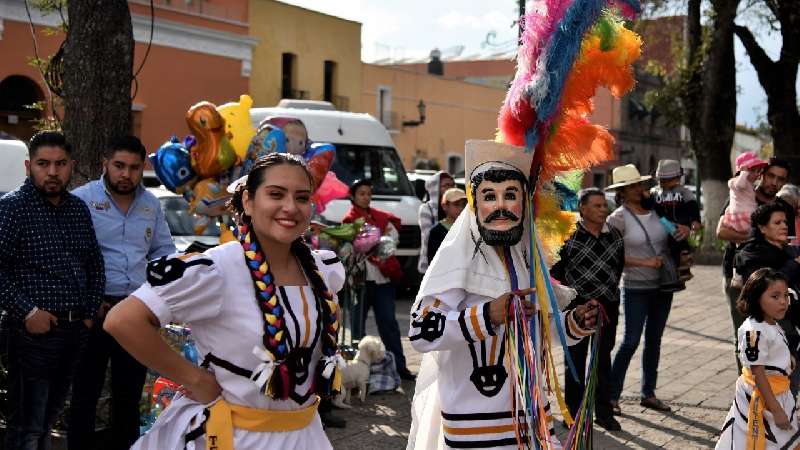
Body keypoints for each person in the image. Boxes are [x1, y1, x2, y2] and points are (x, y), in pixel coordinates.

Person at [103, 153, 346, 449]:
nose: (290, 207)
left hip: (305, 435)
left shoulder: (322, 270)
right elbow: (123, 320)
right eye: (276, 194)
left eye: (302, 197)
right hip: (233, 436)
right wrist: (195, 379)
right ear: (248, 201)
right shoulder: (218, 269)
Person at [407, 140, 598, 449]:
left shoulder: (526, 259)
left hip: (530, 420)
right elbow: (421, 332)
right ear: (474, 202)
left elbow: (538, 329)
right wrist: (488, 314)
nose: (501, 206)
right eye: (489, 196)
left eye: (511, 195)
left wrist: (575, 321)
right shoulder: (456, 260)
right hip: (475, 426)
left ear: (524, 202)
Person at [68, 136, 176, 450]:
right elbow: (69, 257)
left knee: (128, 396)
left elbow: (163, 254)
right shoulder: (82, 200)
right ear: (105, 164)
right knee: (84, 394)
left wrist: (159, 300)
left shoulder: (151, 204)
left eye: (133, 168)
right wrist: (87, 303)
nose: (125, 174)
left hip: (136, 312)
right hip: (95, 310)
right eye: (119, 166)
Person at [0, 130, 105, 450]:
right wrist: (28, 312)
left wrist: (87, 316)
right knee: (28, 428)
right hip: (32, 333)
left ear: (71, 166)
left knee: (49, 420)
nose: (52, 172)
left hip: (75, 331)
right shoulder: (13, 208)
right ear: (28, 166)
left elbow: (95, 265)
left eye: (60, 164)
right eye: (43, 164)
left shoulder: (77, 209)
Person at [551, 187, 625, 431]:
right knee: (576, 359)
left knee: (602, 360)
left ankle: (603, 413)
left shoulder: (614, 235)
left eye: (604, 205)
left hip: (608, 307)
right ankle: (574, 414)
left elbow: (618, 268)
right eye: (597, 205)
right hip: (577, 308)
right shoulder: (568, 235)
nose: (603, 209)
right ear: (582, 208)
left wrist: (604, 298)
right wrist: (576, 301)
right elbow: (558, 272)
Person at [605, 164, 674, 413]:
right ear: (622, 192)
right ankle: (612, 396)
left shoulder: (655, 211)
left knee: (654, 340)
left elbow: (671, 237)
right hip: (635, 286)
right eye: (632, 186)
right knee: (631, 341)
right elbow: (612, 256)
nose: (638, 189)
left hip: (663, 286)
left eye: (639, 184)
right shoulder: (618, 218)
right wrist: (645, 262)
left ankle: (649, 393)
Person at [718, 157, 793, 365]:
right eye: (771, 176)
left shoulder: (783, 207)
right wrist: (759, 236)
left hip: (773, 279)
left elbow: (786, 241)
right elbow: (721, 231)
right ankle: (747, 390)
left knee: (775, 335)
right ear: (761, 173)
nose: (774, 183)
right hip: (739, 277)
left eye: (780, 179)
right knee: (744, 335)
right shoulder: (742, 194)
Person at [715, 268, 799, 449]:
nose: (783, 302)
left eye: (785, 295)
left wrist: (787, 358)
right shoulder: (754, 330)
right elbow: (758, 372)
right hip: (764, 398)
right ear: (756, 297)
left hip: (778, 393)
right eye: (775, 296)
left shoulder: (771, 323)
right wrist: (776, 409)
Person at [342, 179, 416, 381]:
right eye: (361, 193)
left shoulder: (382, 218)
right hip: (359, 282)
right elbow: (345, 250)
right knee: (357, 328)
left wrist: (382, 240)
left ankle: (400, 368)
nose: (366, 197)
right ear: (353, 196)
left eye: (368, 193)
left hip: (382, 280)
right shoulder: (348, 221)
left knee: (389, 325)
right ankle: (360, 374)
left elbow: (392, 241)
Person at [650, 159, 701, 281]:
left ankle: (683, 263)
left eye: (666, 180)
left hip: (679, 225)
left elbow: (692, 206)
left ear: (677, 178)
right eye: (661, 180)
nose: (662, 182)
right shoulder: (655, 192)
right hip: (660, 224)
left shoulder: (684, 192)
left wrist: (695, 220)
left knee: (678, 240)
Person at [722, 152, 769, 234]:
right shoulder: (736, 181)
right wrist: (744, 173)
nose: (757, 174)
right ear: (742, 171)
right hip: (742, 214)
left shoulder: (749, 184)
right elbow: (740, 185)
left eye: (758, 171)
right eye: (754, 171)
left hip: (747, 214)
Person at [417, 171, 455, 274]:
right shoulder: (426, 209)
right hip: (431, 264)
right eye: (446, 185)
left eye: (452, 185)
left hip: (453, 265)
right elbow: (428, 237)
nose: (450, 188)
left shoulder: (456, 209)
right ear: (436, 188)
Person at [426, 187, 467, 262]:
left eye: (464, 204)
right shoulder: (437, 232)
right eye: (456, 204)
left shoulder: (470, 228)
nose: (461, 208)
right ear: (445, 206)